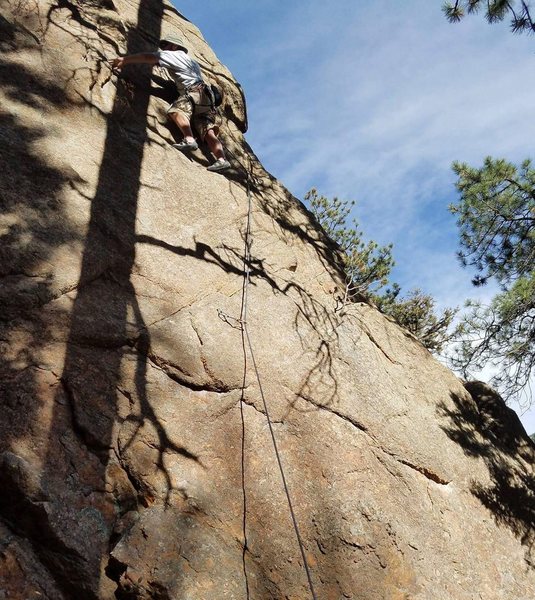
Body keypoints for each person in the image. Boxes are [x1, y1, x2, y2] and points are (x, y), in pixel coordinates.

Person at [111, 34, 230, 172]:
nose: (164, 49)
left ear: (174, 46)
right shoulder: (191, 61)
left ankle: (189, 139)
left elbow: (148, 57)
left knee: (177, 111)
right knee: (208, 130)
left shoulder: (174, 55)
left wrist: (124, 60)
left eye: (165, 46)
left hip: (194, 93)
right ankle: (222, 160)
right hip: (207, 100)